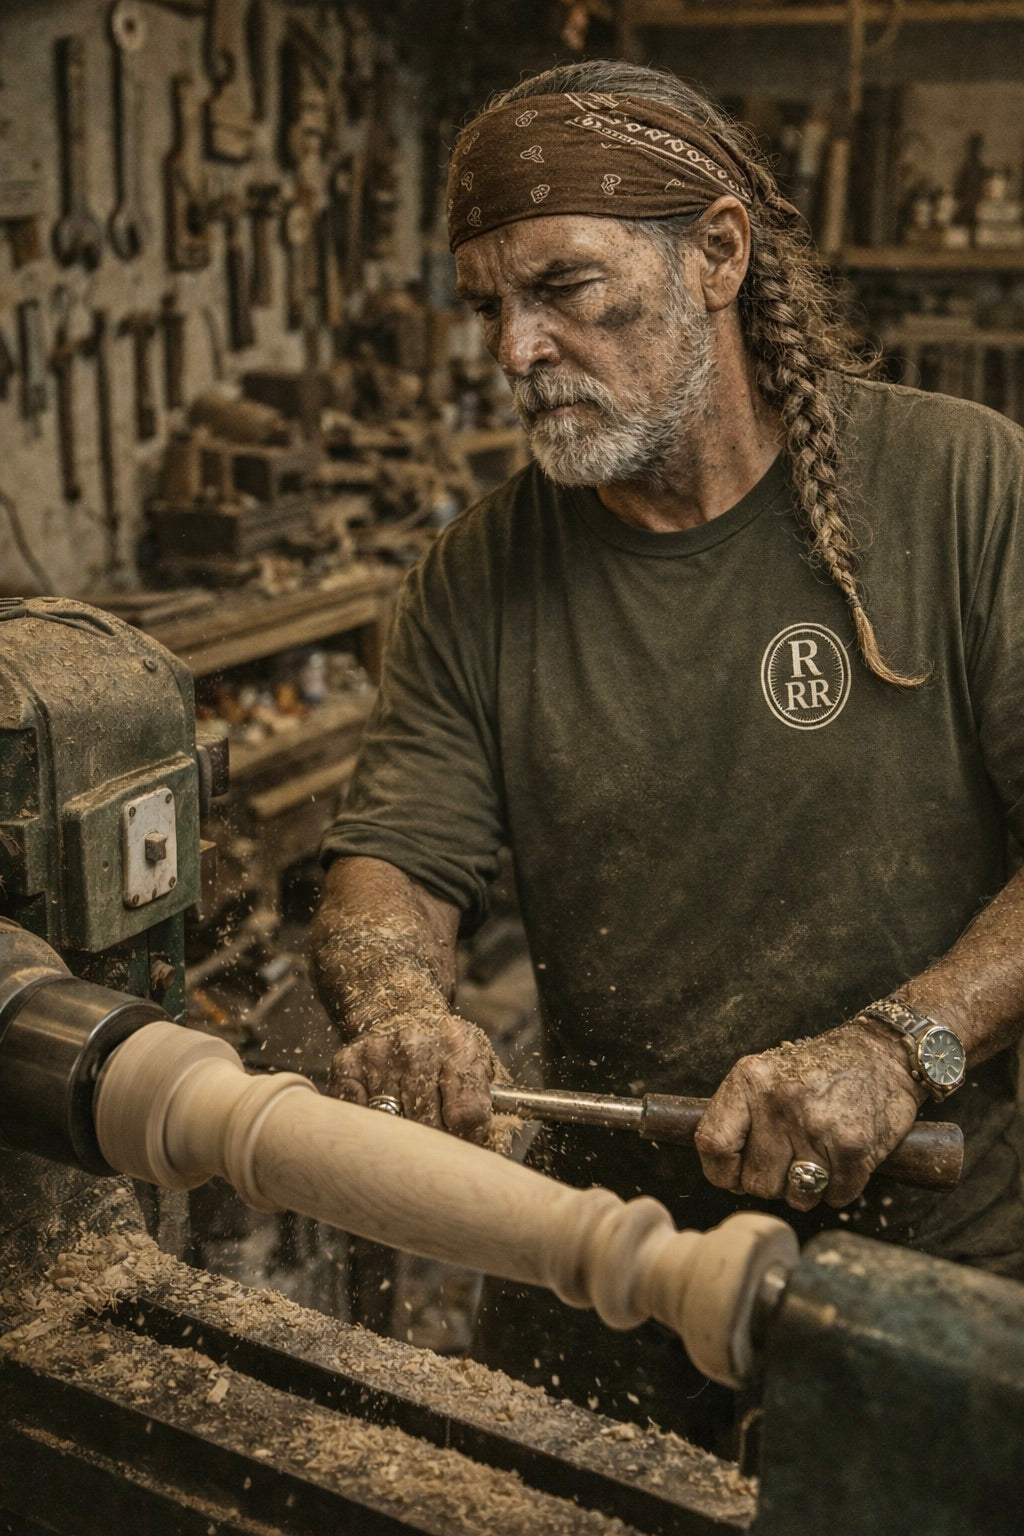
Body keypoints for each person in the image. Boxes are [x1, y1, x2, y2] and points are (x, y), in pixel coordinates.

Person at [309, 58, 1024, 1447]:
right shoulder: (478, 572)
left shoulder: (966, 490)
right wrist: (397, 1004)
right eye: (490, 309)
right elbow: (391, 855)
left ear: (716, 255)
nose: (513, 352)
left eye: (562, 290)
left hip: (937, 1262)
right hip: (603, 1261)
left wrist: (901, 1044)